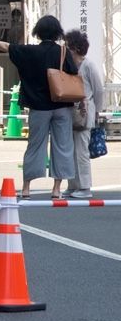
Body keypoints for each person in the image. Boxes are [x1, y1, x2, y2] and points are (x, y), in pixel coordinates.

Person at [0, 15, 77, 199]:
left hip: (38, 107)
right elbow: (74, 73)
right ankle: (56, 189)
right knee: (62, 146)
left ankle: (26, 188)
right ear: (57, 32)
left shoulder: (29, 52)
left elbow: (8, 47)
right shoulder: (63, 52)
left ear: (38, 32)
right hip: (62, 106)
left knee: (35, 145)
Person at [63, 29, 105, 199]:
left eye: (68, 46)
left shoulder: (88, 65)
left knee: (81, 152)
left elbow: (99, 90)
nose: (66, 49)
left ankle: (85, 187)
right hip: (71, 111)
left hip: (84, 112)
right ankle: (73, 185)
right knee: (71, 151)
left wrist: (97, 112)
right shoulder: (70, 66)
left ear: (75, 48)